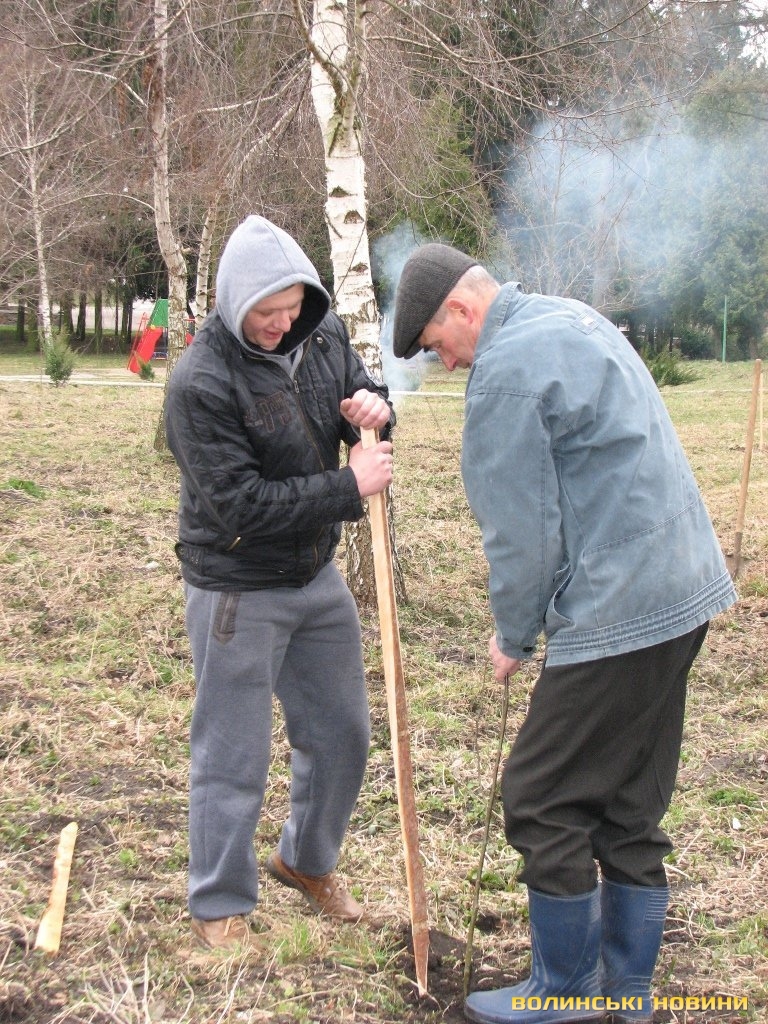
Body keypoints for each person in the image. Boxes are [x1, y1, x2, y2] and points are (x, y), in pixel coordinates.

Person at [392, 244, 737, 1024]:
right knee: (628, 805)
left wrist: (514, 634)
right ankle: (628, 992)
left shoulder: (505, 374)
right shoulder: (570, 317)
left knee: (540, 796)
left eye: (439, 347)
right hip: (686, 588)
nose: (447, 365)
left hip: (622, 605)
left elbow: (523, 532)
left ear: (462, 310)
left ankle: (566, 992)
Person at [165, 215, 395, 951]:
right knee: (232, 752)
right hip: (237, 583)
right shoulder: (201, 381)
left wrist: (375, 408)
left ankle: (306, 861)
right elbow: (240, 507)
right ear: (235, 303)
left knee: (342, 733)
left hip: (314, 575)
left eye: (292, 308)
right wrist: (348, 487)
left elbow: (362, 395)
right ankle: (219, 902)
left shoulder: (319, 334)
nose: (281, 324)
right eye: (267, 313)